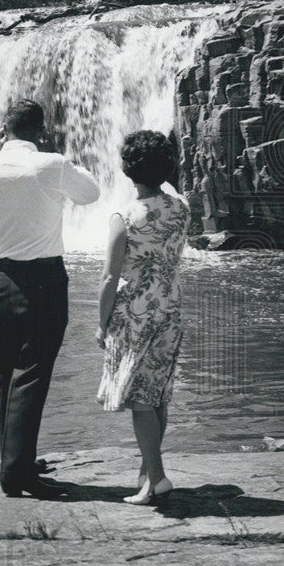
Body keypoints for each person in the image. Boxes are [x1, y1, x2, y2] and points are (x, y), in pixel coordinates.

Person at [0, 99, 100, 499]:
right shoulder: (53, 163)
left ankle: (16, 459)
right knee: (33, 372)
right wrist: (65, 161)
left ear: (4, 129)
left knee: (6, 372)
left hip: (4, 278)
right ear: (41, 131)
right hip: (46, 276)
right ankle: (16, 474)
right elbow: (92, 194)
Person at [95, 130, 190, 505]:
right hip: (171, 306)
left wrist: (101, 324)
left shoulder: (125, 218)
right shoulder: (181, 208)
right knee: (157, 392)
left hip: (137, 314)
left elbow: (108, 277)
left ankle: (157, 479)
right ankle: (148, 474)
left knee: (139, 398)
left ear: (126, 168)